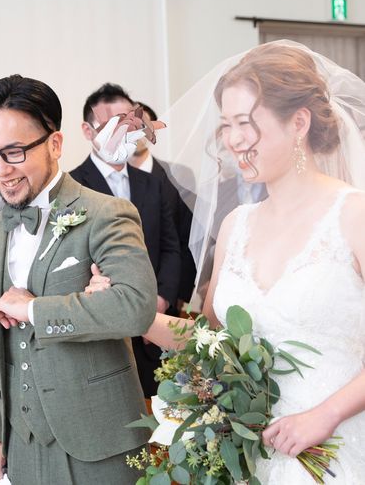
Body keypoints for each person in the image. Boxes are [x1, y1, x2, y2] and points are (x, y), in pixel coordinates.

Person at [127, 41, 365, 483]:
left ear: (299, 122)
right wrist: (130, 310)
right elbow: (211, 340)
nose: (233, 140)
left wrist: (325, 415)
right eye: (227, 125)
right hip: (252, 455)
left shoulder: (354, 216)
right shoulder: (237, 225)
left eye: (246, 123)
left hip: (339, 447)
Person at [0, 74, 157, 485]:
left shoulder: (106, 213)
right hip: (23, 447)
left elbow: (135, 306)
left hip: (100, 445)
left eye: (14, 152)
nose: (0, 170)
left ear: (55, 144)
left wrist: (34, 310)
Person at [70, 82, 181, 396]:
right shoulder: (73, 186)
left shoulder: (153, 183)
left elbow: (171, 247)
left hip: (156, 327)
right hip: (103, 329)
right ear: (88, 130)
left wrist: (158, 303)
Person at [129, 101, 197, 307]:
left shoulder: (179, 176)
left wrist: (176, 294)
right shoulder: (111, 179)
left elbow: (189, 236)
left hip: (167, 293)